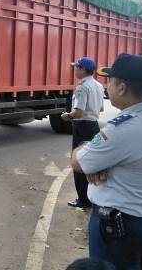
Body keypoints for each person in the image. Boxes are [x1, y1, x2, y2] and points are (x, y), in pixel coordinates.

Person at [70, 53, 142, 270]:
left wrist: (86, 151)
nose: (107, 86)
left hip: (118, 228)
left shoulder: (123, 129)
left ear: (122, 88)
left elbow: (78, 163)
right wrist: (99, 162)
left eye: (110, 81)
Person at [61, 57, 105, 209]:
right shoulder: (99, 85)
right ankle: (92, 197)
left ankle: (83, 200)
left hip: (82, 126)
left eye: (77, 67)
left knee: (79, 162)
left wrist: (67, 116)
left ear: (83, 69)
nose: (75, 70)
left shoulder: (82, 87)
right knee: (92, 162)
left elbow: (78, 112)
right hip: (93, 125)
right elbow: (100, 109)